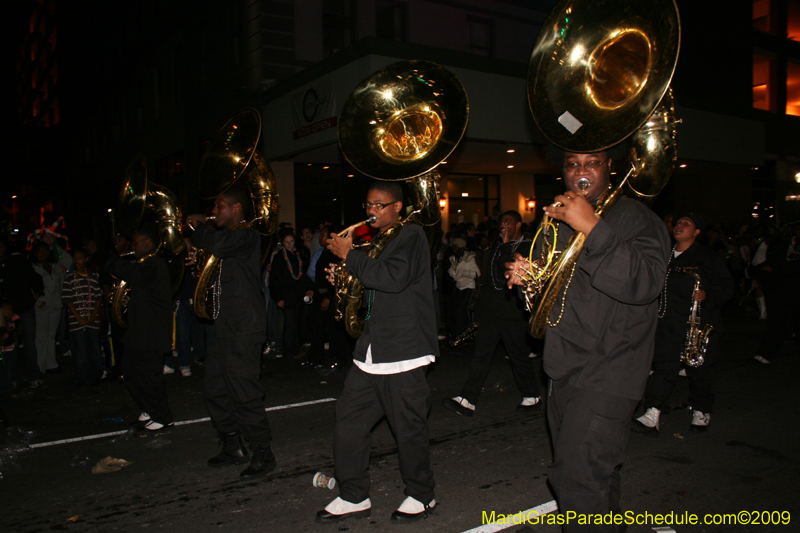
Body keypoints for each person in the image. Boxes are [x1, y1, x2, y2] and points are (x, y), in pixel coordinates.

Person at [506, 150, 670, 532]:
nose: (580, 171)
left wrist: (593, 228)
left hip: (610, 369)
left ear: (609, 167)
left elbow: (645, 283)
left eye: (591, 162)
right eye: (572, 164)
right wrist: (527, 278)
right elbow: (548, 292)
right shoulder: (556, 219)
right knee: (597, 476)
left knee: (576, 479)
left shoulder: (636, 218)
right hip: (563, 365)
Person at [316, 181, 438, 524]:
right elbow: (369, 284)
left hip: (402, 349)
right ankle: (354, 495)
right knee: (349, 422)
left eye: (380, 205)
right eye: (369, 204)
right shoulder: (378, 241)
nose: (372, 211)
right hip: (371, 349)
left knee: (408, 429)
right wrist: (342, 276)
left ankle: (422, 494)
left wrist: (349, 256)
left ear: (397, 207)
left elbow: (393, 278)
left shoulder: (410, 235)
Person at [187, 187, 276, 479]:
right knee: (216, 388)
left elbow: (221, 245)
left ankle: (262, 451)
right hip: (224, 324)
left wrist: (201, 227)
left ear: (236, 208)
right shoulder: (224, 238)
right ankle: (232, 444)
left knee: (244, 392)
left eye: (219, 205)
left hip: (245, 326)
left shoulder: (248, 234)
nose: (215, 210)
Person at [634, 213, 734, 435]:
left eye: (686, 224)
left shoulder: (707, 257)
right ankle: (652, 412)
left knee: (698, 370)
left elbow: (727, 286)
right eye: (678, 223)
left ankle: (701, 409)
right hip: (667, 322)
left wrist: (708, 294)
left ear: (697, 232)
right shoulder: (664, 255)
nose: (679, 226)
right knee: (664, 367)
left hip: (698, 324)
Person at [443, 210, 542, 417]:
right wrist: (480, 311)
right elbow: (488, 281)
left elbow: (505, 267)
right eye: (502, 222)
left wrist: (506, 243)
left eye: (508, 222)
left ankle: (532, 396)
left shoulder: (527, 247)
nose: (503, 225)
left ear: (518, 225)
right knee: (481, 354)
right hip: (490, 313)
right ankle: (468, 399)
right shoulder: (497, 248)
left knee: (518, 356)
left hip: (512, 314)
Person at [106, 225, 174, 432]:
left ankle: (162, 417)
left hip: (150, 333)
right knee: (129, 372)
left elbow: (133, 274)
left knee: (149, 376)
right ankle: (148, 408)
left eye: (135, 243)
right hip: (138, 331)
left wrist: (114, 258)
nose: (132, 247)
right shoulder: (146, 263)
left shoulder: (155, 263)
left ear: (148, 243)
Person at [0, 239, 43, 388]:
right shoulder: (9, 264)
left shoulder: (16, 262)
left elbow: (36, 278)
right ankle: (12, 379)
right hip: (11, 312)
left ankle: (28, 377)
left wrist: (38, 292)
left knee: (25, 344)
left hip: (23, 309)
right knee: (11, 345)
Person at [62, 249, 106, 386]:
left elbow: (98, 297)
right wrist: (78, 318)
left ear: (85, 259)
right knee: (79, 350)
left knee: (94, 349)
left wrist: (94, 315)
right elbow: (67, 300)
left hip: (92, 320)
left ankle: (95, 375)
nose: (77, 262)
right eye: (75, 259)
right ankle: (82, 377)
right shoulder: (69, 278)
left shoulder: (92, 277)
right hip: (76, 321)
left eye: (80, 258)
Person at [269, 230, 315, 360]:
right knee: (289, 325)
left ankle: (293, 347)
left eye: (291, 242)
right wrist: (278, 297)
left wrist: (308, 289)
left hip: (298, 296)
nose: (289, 244)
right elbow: (275, 279)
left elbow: (302, 275)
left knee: (295, 323)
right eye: (286, 242)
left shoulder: (297, 255)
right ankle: (289, 352)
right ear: (283, 243)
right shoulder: (279, 257)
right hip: (287, 296)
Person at [31, 241, 64, 375]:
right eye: (40, 251)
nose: (43, 254)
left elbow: (61, 284)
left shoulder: (55, 267)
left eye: (45, 251)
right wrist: (38, 302)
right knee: (41, 336)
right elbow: (30, 288)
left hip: (56, 305)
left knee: (51, 335)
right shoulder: (32, 268)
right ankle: (40, 365)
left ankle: (51, 363)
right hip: (42, 306)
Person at [446, 237, 480, 338]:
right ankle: (461, 332)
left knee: (461, 309)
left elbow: (477, 273)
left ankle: (462, 333)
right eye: (453, 247)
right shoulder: (453, 258)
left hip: (468, 286)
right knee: (457, 309)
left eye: (456, 247)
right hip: (459, 286)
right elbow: (451, 271)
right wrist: (453, 273)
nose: (454, 249)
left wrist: (463, 273)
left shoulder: (469, 259)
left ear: (461, 248)